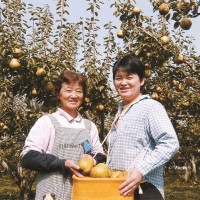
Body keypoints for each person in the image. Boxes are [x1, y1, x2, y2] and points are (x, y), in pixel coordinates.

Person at [20, 69, 106, 200]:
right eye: (68, 90)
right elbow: (27, 157)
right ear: (58, 94)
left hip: (83, 194)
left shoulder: (89, 126)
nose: (74, 95)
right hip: (51, 194)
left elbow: (100, 155)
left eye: (78, 91)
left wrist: (92, 160)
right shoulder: (47, 122)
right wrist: (62, 163)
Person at [106, 54, 179, 200]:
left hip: (145, 189)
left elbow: (170, 143)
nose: (123, 83)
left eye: (129, 77)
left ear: (142, 80)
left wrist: (140, 170)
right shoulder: (121, 110)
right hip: (120, 189)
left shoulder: (151, 107)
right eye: (119, 78)